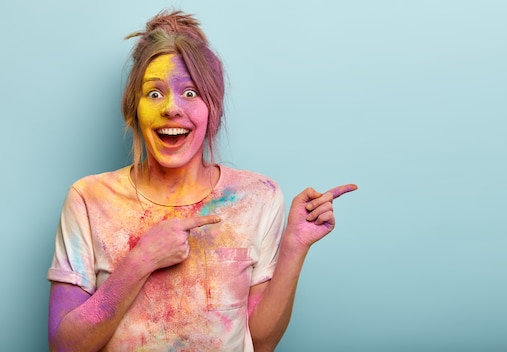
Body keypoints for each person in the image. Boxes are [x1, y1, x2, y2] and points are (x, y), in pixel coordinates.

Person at [47, 9, 357, 352]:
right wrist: (141, 261)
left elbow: (262, 342)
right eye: (153, 93)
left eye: (191, 93)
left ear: (214, 107)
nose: (171, 108)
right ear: (133, 107)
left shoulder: (257, 198)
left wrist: (294, 247)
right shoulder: (89, 199)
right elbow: (65, 347)